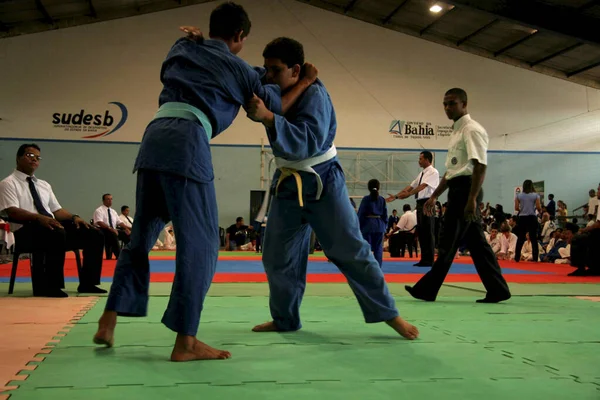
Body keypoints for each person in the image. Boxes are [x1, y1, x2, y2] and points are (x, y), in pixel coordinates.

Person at [92, 2, 318, 361]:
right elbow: (278, 104)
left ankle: (108, 319)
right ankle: (186, 342)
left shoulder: (181, 47)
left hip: (153, 139)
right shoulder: (242, 71)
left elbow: (187, 62)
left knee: (141, 238)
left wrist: (198, 42)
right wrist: (305, 80)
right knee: (201, 245)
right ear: (240, 36)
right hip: (186, 142)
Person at [243, 37, 419, 339]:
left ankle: (389, 314)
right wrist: (204, 47)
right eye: (267, 69)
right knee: (275, 255)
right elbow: (241, 75)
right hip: (288, 182)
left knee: (350, 249)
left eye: (275, 70)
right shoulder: (272, 83)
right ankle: (285, 318)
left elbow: (305, 141)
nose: (268, 76)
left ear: (296, 70)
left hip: (323, 180)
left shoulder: (316, 97)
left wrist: (271, 118)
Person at [404, 88, 511, 303]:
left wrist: (472, 199)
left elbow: (480, 166)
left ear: (464, 104)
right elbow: (452, 172)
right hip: (457, 188)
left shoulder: (472, 130)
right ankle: (498, 289)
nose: (447, 108)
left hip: (467, 190)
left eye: (452, 103)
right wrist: (434, 196)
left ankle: (427, 289)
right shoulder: (456, 132)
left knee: (448, 241)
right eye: (445, 104)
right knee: (477, 244)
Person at [0, 144, 105, 297]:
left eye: (38, 157)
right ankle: (50, 286)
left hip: (51, 229)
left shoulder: (43, 185)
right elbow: (12, 211)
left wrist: (74, 217)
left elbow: (57, 211)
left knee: (94, 233)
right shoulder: (8, 183)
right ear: (18, 158)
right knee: (55, 231)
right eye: (30, 155)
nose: (35, 159)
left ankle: (88, 283)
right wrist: (39, 218)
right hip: (24, 232)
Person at [387, 151, 439, 267]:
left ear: (427, 159)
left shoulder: (433, 172)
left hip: (428, 202)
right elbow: (411, 187)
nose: (419, 161)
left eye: (420, 159)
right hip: (420, 203)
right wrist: (396, 196)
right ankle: (424, 259)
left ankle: (429, 259)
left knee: (428, 231)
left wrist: (409, 194)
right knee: (422, 231)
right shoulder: (421, 174)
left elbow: (423, 186)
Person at [357, 179, 388, 267]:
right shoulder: (382, 199)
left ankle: (367, 266)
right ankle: (378, 267)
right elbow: (385, 215)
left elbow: (361, 213)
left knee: (367, 248)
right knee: (378, 249)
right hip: (379, 226)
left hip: (368, 225)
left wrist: (359, 226)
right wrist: (384, 226)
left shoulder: (366, 199)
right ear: (378, 187)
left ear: (369, 188)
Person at [514, 179, 541, 262]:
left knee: (520, 238)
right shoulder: (535, 195)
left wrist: (522, 209)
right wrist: (537, 211)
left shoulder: (519, 196)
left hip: (522, 217)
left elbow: (516, 208)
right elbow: (538, 207)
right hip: (532, 217)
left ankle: (517, 257)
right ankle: (535, 258)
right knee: (533, 238)